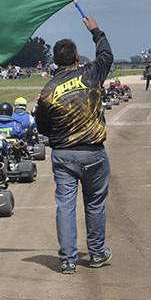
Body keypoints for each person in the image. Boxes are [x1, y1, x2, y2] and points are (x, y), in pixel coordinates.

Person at [34, 15, 113, 274]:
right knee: (95, 204)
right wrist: (95, 31)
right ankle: (98, 253)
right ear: (77, 58)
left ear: (56, 61)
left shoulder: (47, 91)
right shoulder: (90, 73)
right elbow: (106, 55)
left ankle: (68, 259)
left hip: (64, 155)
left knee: (66, 206)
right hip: (93, 152)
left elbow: (43, 128)